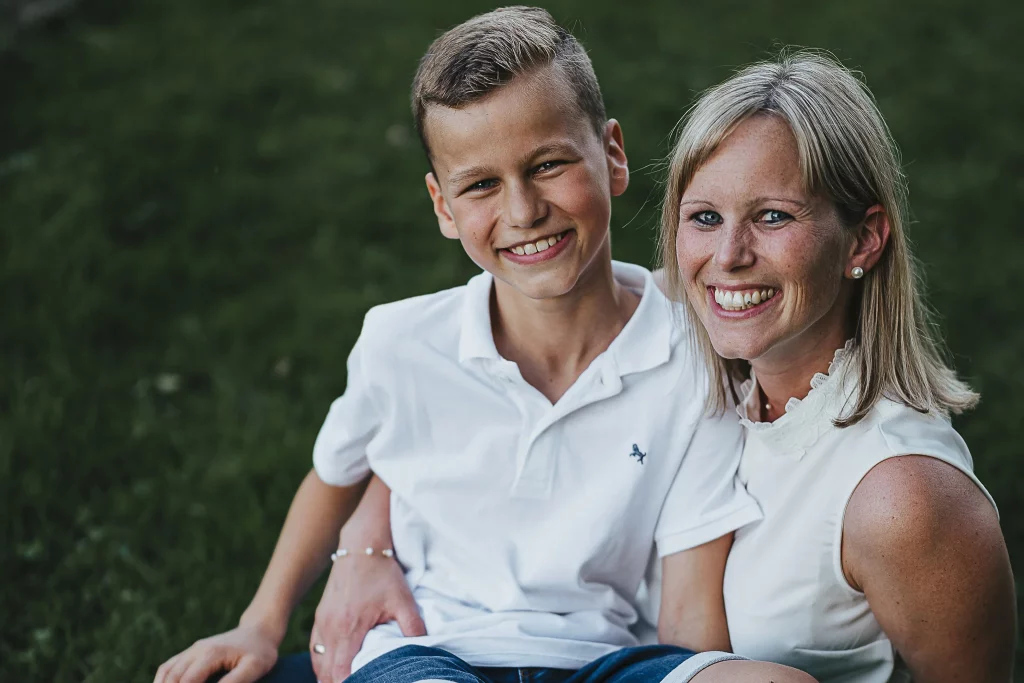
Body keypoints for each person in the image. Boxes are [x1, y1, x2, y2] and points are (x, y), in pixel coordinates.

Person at [153, 8, 817, 683]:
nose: (523, 211)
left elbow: (689, 601)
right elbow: (332, 477)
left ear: (612, 155)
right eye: (481, 185)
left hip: (600, 660)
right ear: (443, 205)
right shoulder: (401, 342)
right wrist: (261, 625)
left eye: (548, 164)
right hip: (427, 650)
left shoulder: (694, 357)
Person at [327, 51, 1017, 682]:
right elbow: (463, 401)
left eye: (773, 217)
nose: (728, 258)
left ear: (863, 238)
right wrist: (365, 541)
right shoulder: (694, 331)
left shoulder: (902, 497)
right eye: (705, 217)